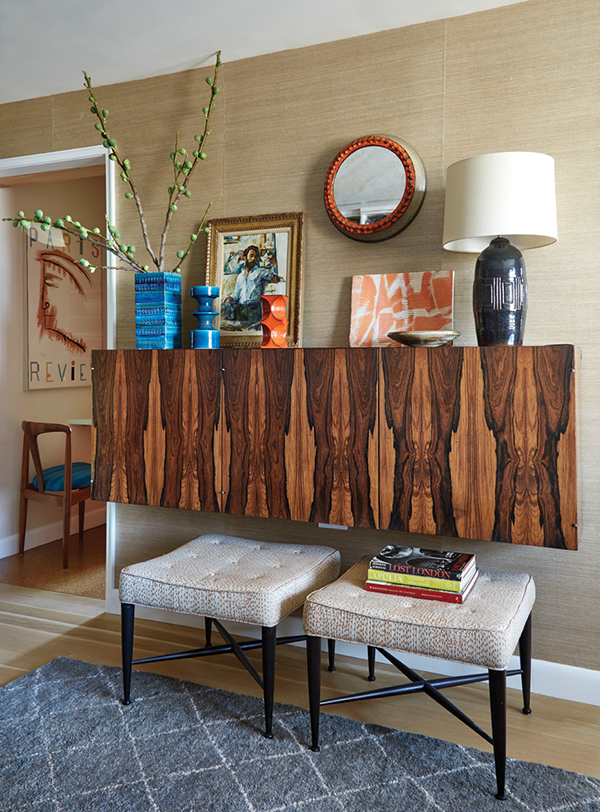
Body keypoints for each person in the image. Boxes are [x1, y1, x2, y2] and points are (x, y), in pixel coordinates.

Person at [221, 244, 282, 326]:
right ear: (245, 257)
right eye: (251, 256)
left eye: (256, 257)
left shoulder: (260, 272)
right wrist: (230, 298)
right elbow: (236, 294)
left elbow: (275, 277)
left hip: (254, 310)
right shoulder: (240, 277)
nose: (253, 259)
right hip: (241, 309)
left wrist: (274, 264)